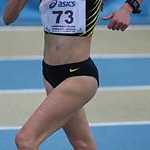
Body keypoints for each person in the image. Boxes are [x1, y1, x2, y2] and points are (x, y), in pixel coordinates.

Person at [2, 0, 143, 149]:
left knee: (25, 140)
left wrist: (128, 7)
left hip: (79, 75)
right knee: (83, 144)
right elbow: (7, 18)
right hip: (50, 74)